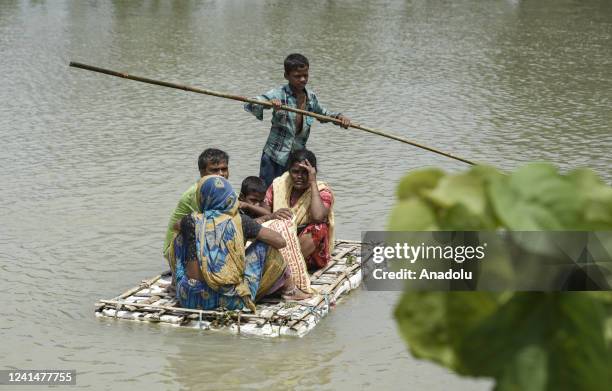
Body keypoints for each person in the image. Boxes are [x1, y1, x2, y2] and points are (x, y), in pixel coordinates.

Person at [169, 176, 306, 311]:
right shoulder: (240, 221)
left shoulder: (190, 221)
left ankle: (175, 285)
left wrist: (204, 228)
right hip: (232, 300)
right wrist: (248, 234)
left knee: (179, 239)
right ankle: (290, 291)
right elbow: (280, 241)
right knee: (266, 246)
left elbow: (175, 226)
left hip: (190, 298)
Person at [244, 53, 351, 187]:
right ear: (286, 76)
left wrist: (339, 118)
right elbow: (251, 103)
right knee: (268, 193)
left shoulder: (310, 98)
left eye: (305, 75)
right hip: (275, 156)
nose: (302, 79)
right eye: (297, 76)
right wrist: (268, 103)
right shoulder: (278, 94)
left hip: (296, 158)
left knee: (293, 195)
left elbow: (323, 114)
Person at [262, 149, 335, 271]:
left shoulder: (323, 191)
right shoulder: (279, 185)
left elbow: (318, 216)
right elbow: (265, 214)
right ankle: (277, 263)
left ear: (313, 172)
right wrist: (273, 215)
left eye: (305, 172)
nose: (299, 177)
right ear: (289, 171)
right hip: (280, 241)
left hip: (307, 252)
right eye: (295, 172)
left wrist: (312, 182)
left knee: (319, 227)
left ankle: (287, 267)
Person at [162, 148, 230, 262]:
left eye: (224, 169)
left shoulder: (223, 189)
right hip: (176, 247)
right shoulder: (197, 193)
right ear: (202, 172)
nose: (221, 174)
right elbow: (207, 225)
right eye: (214, 170)